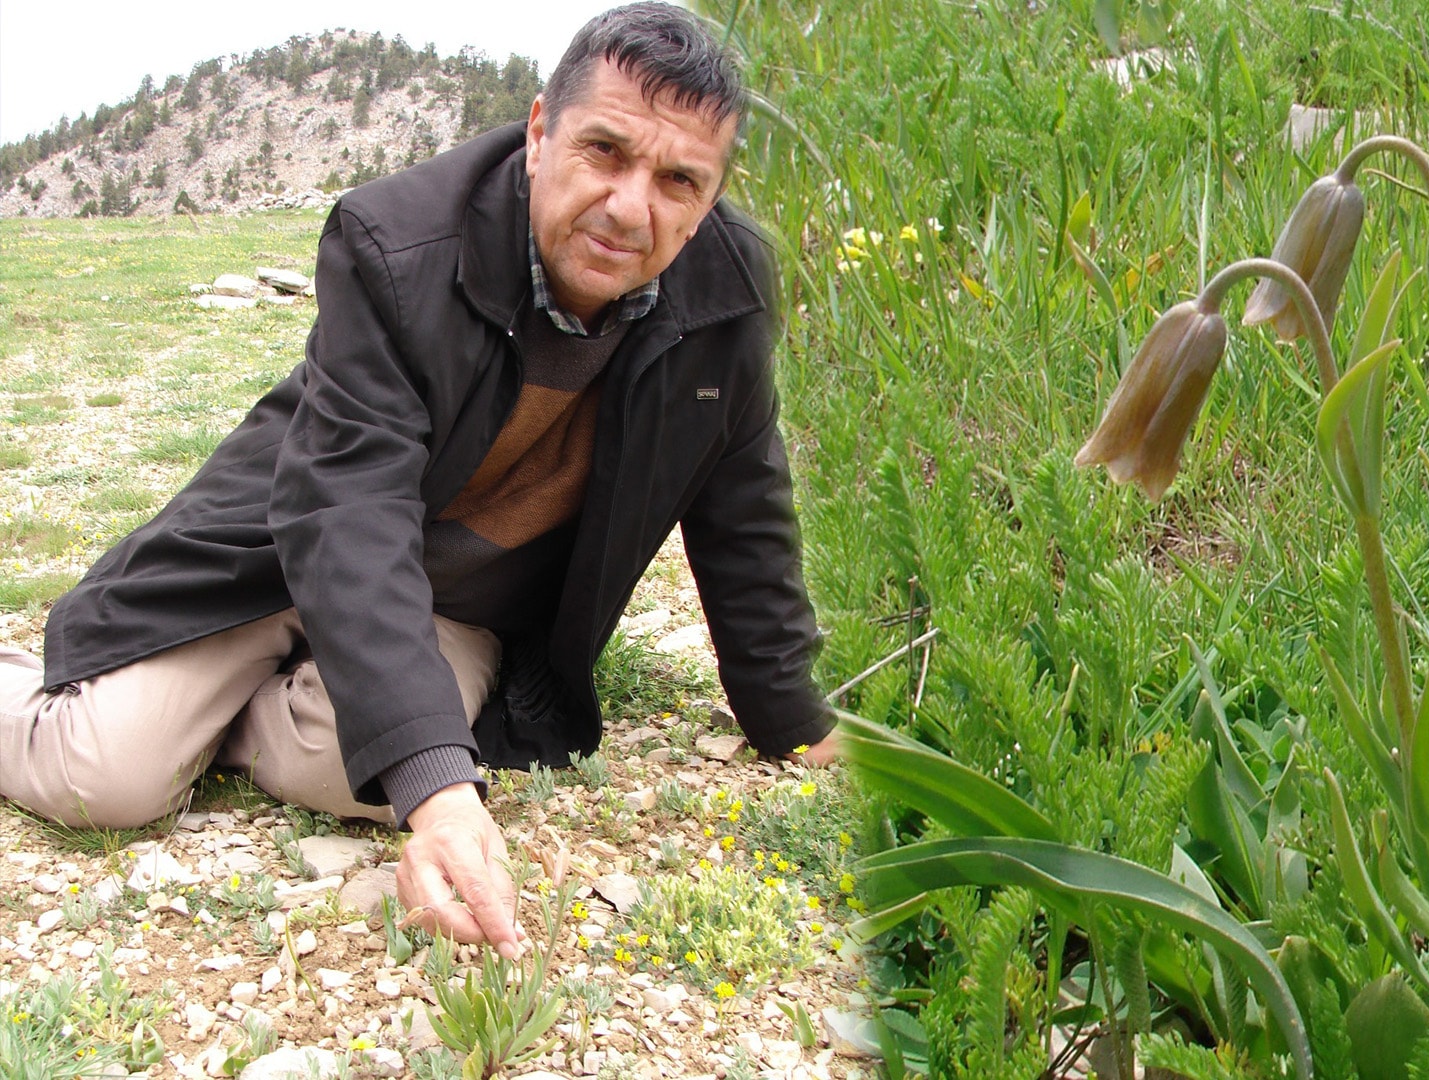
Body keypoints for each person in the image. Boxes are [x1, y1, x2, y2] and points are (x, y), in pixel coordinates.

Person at [0, 2, 837, 959]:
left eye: (679, 180)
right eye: (605, 152)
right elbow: (347, 509)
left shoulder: (727, 294)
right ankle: (140, 702)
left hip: (455, 607)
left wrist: (794, 720)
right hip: (282, 552)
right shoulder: (396, 242)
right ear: (538, 132)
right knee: (106, 780)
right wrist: (443, 798)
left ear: (710, 196)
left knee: (357, 770)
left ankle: (240, 702)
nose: (631, 207)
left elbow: (745, 508)